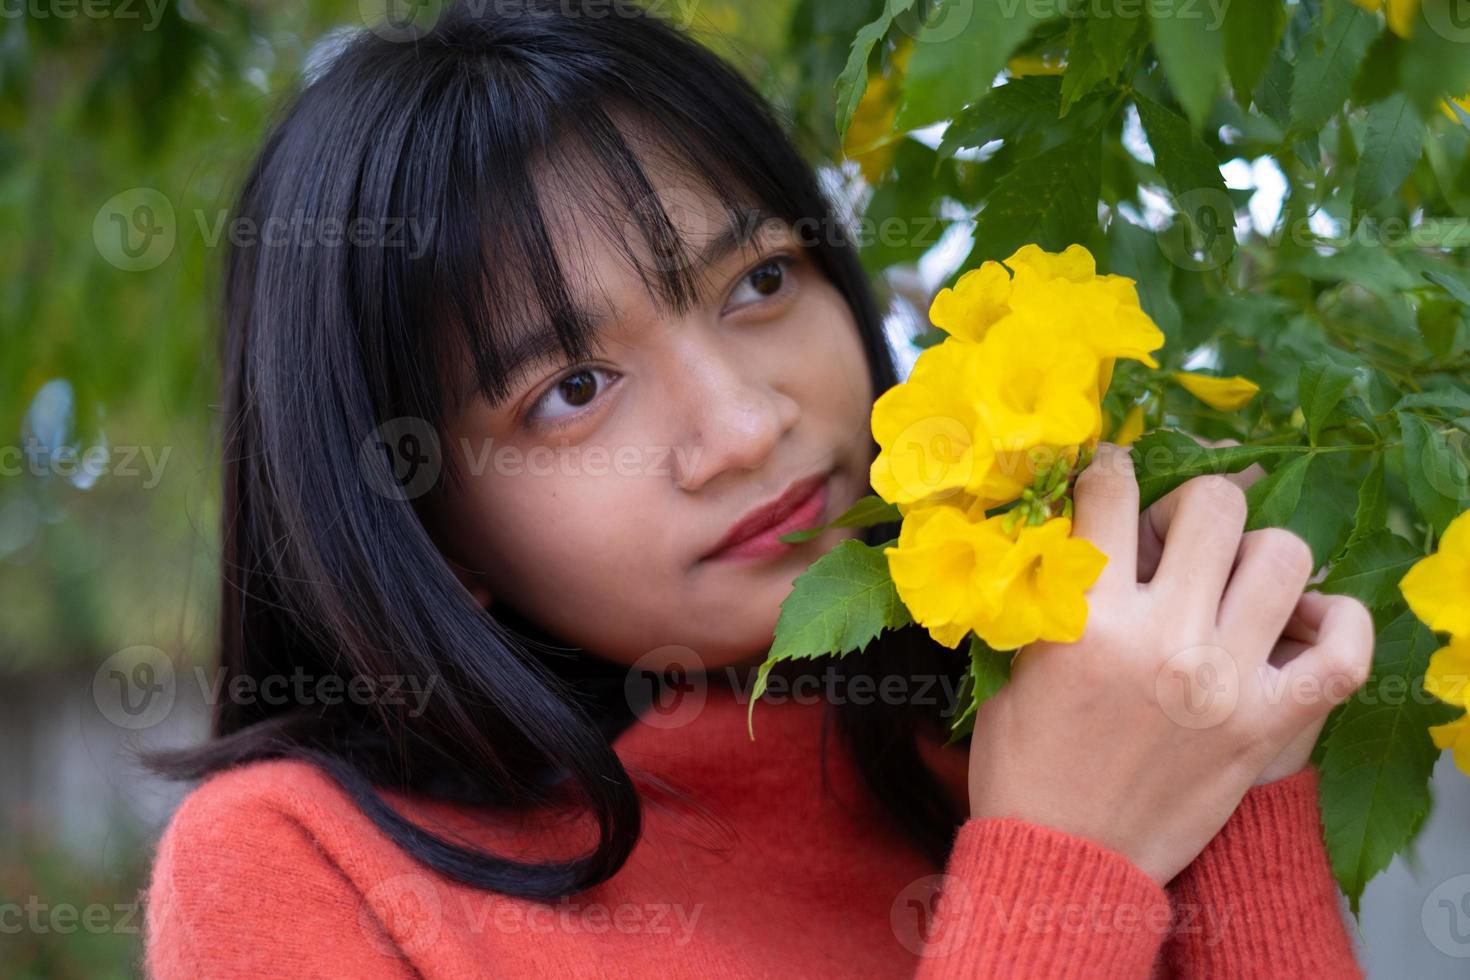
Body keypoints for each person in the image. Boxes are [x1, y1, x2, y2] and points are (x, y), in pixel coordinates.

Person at [141, 1, 1373, 976]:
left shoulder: (1042, 714)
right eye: (571, 387)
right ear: (417, 518)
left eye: (758, 283)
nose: (741, 426)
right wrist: (1064, 864)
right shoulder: (300, 862)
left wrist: (1235, 776)